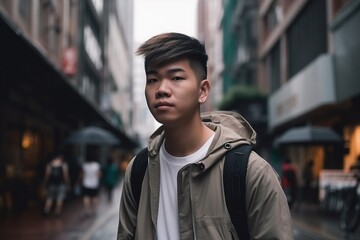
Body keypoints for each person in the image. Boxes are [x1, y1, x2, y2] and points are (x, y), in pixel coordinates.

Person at [117, 32, 293, 239]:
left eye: (176, 78)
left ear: (203, 91)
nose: (161, 89)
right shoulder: (139, 170)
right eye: (153, 79)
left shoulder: (251, 173)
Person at [42, 152, 70, 217]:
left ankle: (47, 210)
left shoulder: (50, 165)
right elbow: (66, 175)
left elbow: (47, 174)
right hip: (61, 183)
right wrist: (68, 183)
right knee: (59, 198)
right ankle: (57, 211)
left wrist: (45, 182)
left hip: (51, 183)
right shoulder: (63, 165)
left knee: (50, 197)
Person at [78, 151, 102, 216]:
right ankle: (94, 210)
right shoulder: (97, 165)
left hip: (86, 183)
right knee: (94, 197)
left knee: (86, 197)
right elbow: (99, 175)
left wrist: (79, 181)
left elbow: (81, 174)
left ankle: (87, 210)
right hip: (94, 184)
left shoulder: (84, 165)